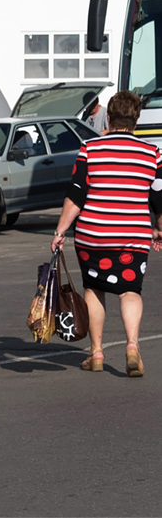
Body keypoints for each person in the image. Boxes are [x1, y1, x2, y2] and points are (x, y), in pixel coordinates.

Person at [52, 90, 162, 378]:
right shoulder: (152, 154)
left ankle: (97, 351)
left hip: (93, 235)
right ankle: (132, 347)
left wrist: (60, 230)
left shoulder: (90, 149)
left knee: (94, 289)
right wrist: (159, 228)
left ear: (109, 118)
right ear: (135, 120)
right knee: (130, 290)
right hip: (133, 237)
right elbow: (159, 198)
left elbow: (76, 195)